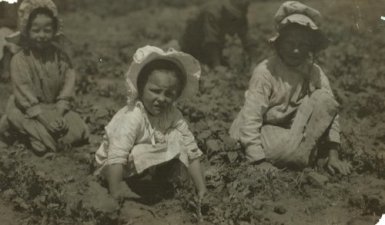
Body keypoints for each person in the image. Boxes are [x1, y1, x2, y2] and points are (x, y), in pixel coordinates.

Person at [229, 1, 351, 175]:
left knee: (324, 98)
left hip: (291, 130)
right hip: (263, 130)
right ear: (279, 43)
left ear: (310, 48)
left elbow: (330, 111)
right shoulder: (265, 71)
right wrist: (258, 160)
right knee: (280, 147)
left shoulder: (313, 71)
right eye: (290, 43)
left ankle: (302, 154)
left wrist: (334, 155)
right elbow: (251, 118)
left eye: (303, 45)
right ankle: (302, 155)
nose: (295, 50)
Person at [95, 46, 207, 201]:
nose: (161, 98)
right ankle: (128, 185)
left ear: (177, 95)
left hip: (143, 162)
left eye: (169, 94)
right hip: (113, 168)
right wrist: (115, 191)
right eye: (155, 91)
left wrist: (201, 188)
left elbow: (191, 150)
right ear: (141, 89)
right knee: (148, 149)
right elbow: (117, 155)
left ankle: (153, 183)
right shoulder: (132, 116)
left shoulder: (173, 115)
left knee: (179, 137)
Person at [0, 0, 89, 153]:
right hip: (28, 110)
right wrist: (45, 120)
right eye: (36, 30)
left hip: (55, 107)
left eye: (47, 30)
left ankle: (36, 136)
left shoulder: (61, 57)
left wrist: (59, 114)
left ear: (54, 31)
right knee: (14, 114)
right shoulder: (19, 59)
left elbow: (67, 87)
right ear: (27, 31)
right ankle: (34, 135)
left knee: (78, 129)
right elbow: (24, 94)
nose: (42, 35)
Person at [179, 0, 258, 69]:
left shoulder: (239, 13)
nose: (234, 19)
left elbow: (247, 37)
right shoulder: (212, 11)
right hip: (192, 41)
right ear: (226, 9)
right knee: (200, 65)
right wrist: (217, 66)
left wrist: (254, 63)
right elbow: (211, 40)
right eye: (232, 16)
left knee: (224, 63)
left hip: (212, 41)